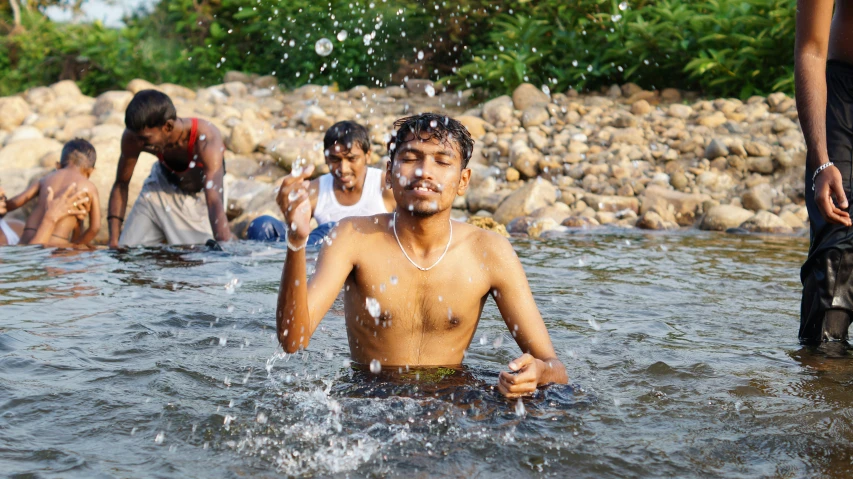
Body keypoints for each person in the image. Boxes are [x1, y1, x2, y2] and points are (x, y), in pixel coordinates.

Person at [275, 113, 568, 397]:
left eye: (442, 161)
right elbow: (293, 340)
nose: (423, 171)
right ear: (389, 173)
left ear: (463, 180)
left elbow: (555, 369)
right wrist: (296, 242)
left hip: (454, 404)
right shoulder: (353, 237)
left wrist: (537, 373)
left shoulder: (490, 251)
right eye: (410, 158)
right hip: (370, 402)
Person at [107, 89, 231, 248]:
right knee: (127, 251)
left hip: (202, 196)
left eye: (144, 139)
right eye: (136, 137)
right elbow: (121, 184)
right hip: (160, 186)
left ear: (168, 126)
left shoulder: (206, 137)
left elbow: (214, 201)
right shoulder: (134, 136)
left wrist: (226, 253)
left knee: (204, 255)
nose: (138, 143)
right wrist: (113, 242)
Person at [796, 0, 853, 344]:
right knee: (835, 260)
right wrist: (821, 160)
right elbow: (811, 49)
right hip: (845, 99)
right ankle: (822, 387)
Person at [248, 121, 395, 245]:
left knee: (333, 229)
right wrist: (289, 213)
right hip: (320, 262)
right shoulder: (315, 189)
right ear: (325, 158)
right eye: (335, 160)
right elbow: (297, 231)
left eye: (351, 159)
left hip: (371, 258)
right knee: (262, 225)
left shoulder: (385, 186)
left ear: (367, 156)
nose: (343, 169)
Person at [5, 139, 100, 247]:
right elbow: (95, 228)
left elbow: (14, 203)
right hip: (54, 246)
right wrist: (76, 245)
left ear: (58, 165)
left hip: (27, 239)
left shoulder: (44, 179)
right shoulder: (89, 187)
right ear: (91, 171)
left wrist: (4, 203)